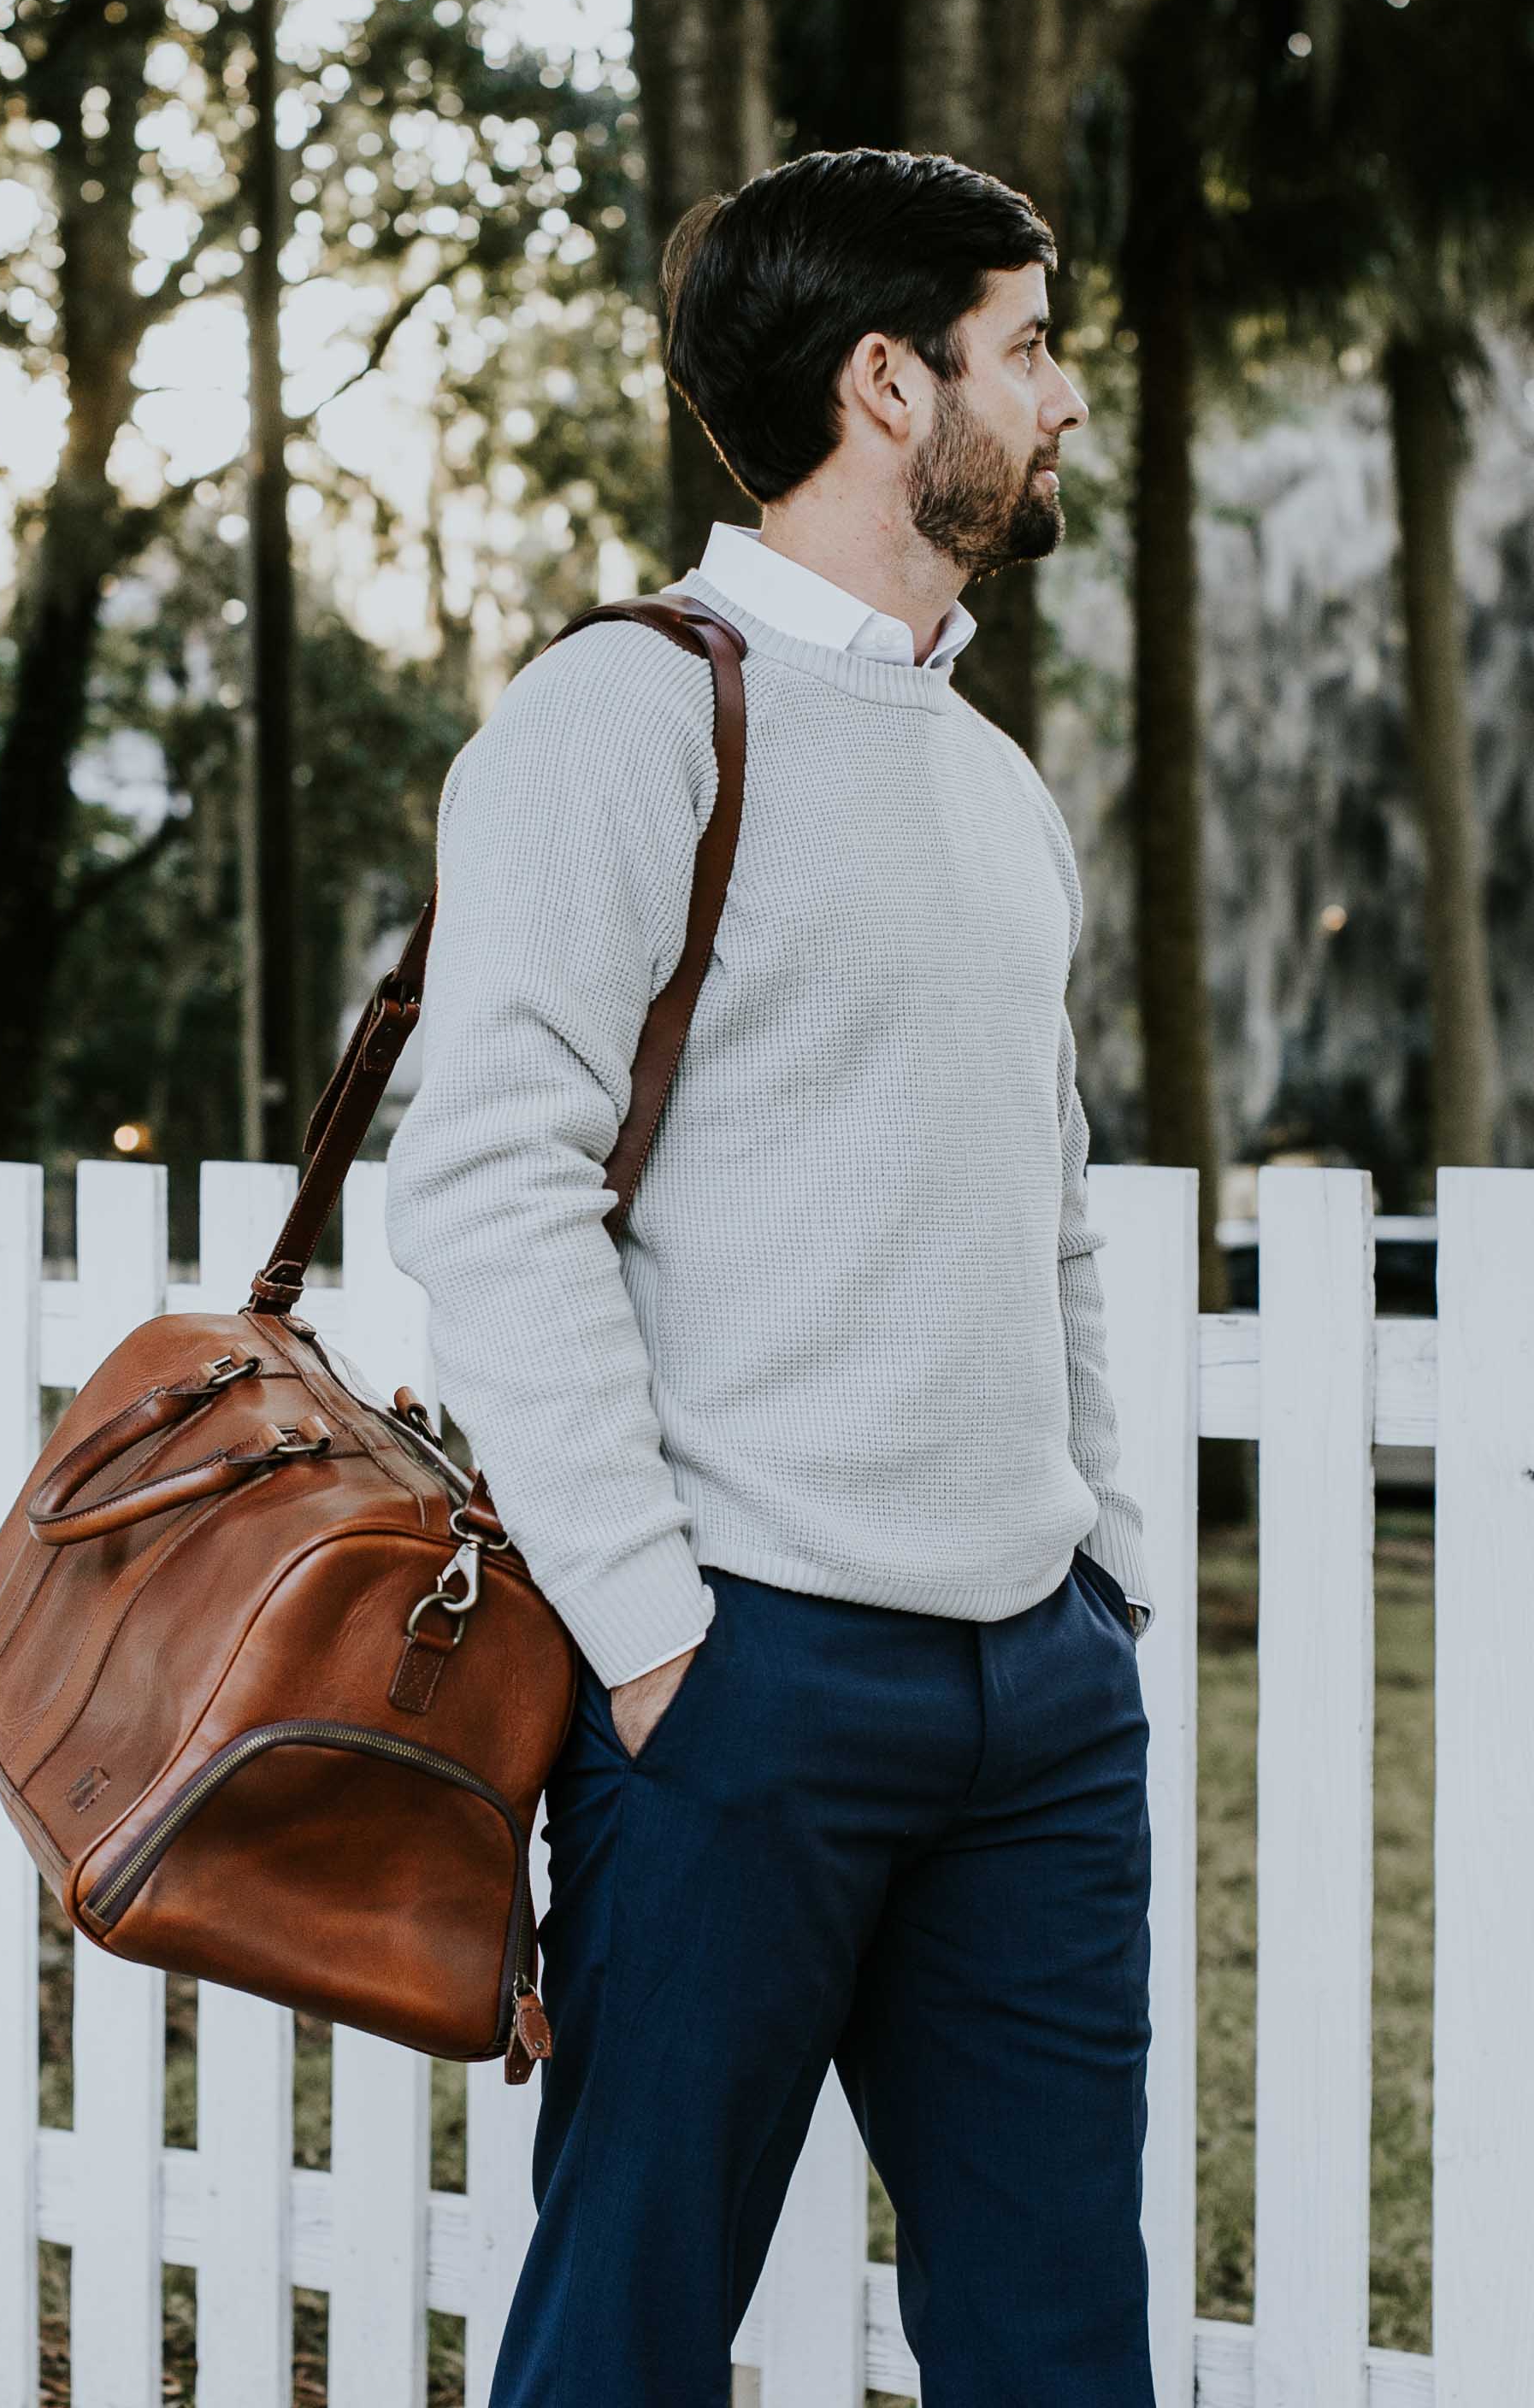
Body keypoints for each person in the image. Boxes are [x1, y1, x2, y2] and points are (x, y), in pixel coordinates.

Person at [383, 145, 1155, 2408]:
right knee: (626, 2341)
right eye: (1028, 348)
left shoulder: (988, 780)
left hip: (1036, 1704)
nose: (1066, 399)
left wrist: (1096, 1575)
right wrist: (652, 1645)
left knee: (1058, 2353)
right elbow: (491, 1192)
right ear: (890, 384)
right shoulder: (615, 723)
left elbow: (1054, 1201)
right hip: (745, 1690)